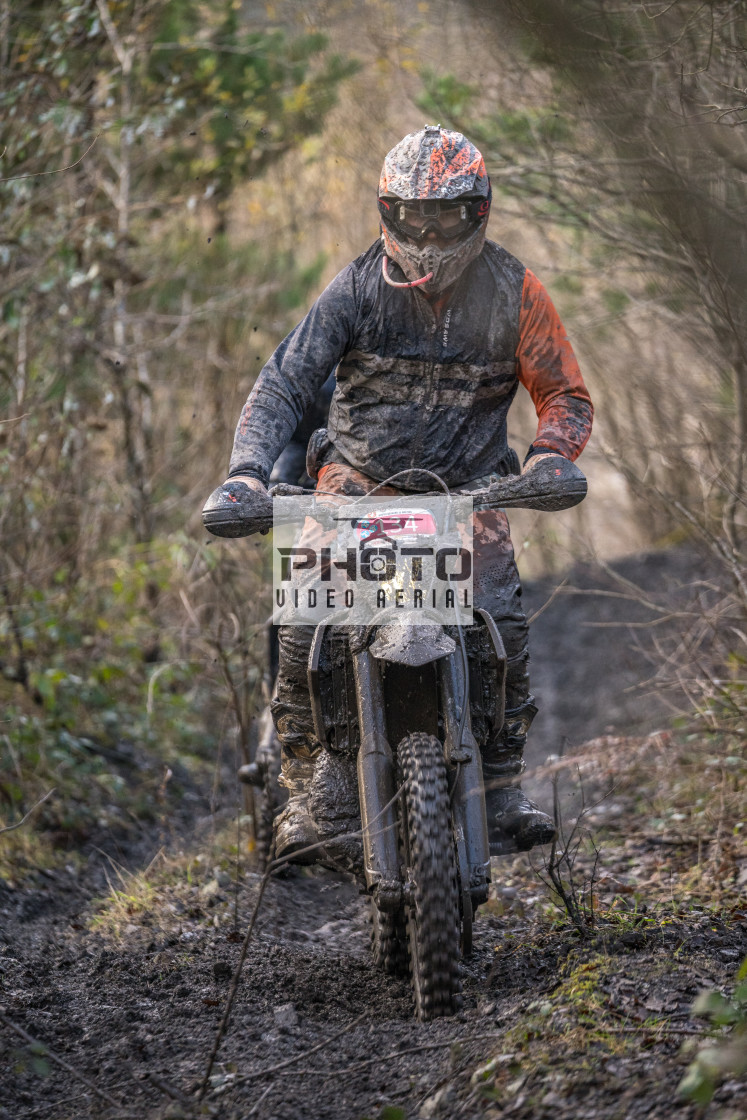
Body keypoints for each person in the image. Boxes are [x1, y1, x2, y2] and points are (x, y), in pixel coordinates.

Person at [219, 125, 593, 862]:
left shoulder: (516, 292)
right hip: (354, 487)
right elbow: (284, 383)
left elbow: (564, 393)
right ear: (386, 212)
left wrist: (551, 455)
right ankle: (312, 785)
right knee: (302, 628)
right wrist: (245, 471)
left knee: (501, 625)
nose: (426, 231)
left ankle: (498, 784)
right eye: (411, 214)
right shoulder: (356, 287)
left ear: (477, 211)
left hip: (473, 491)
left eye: (444, 215)